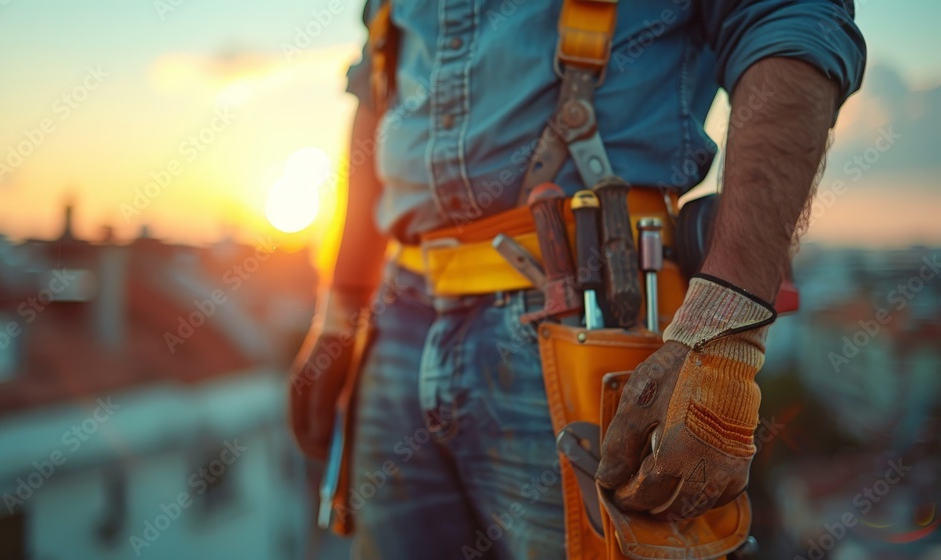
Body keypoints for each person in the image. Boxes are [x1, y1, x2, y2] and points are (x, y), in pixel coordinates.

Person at [291, 1, 866, 558]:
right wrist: (339, 307)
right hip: (398, 321)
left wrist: (724, 331)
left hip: (592, 326)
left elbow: (789, 16)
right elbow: (378, 98)